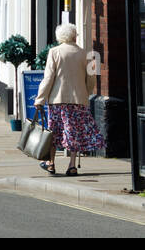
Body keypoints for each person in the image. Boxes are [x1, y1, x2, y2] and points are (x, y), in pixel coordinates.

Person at [33, 23, 103, 176]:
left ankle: (51, 163)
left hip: (58, 100)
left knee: (54, 131)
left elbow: (48, 78)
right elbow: (91, 80)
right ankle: (72, 165)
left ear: (60, 37)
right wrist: (85, 93)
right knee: (74, 132)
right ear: (74, 36)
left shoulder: (54, 52)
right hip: (78, 100)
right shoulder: (88, 54)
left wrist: (40, 99)